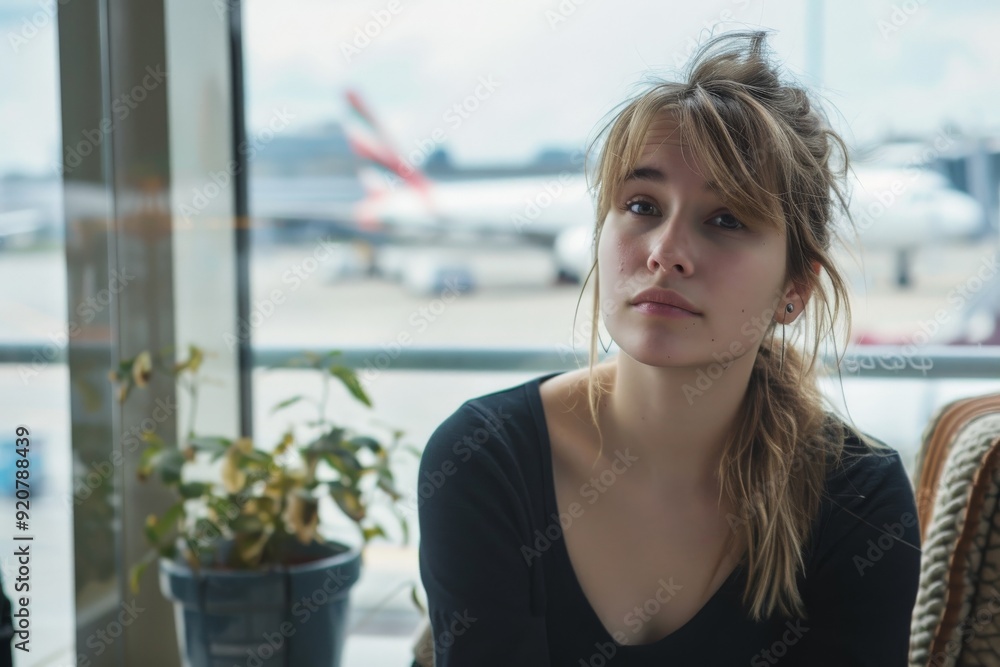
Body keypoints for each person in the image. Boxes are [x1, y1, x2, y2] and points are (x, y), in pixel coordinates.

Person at [416, 30, 921, 666]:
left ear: (795, 288)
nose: (665, 251)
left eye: (726, 219)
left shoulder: (857, 500)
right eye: (641, 205)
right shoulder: (485, 460)